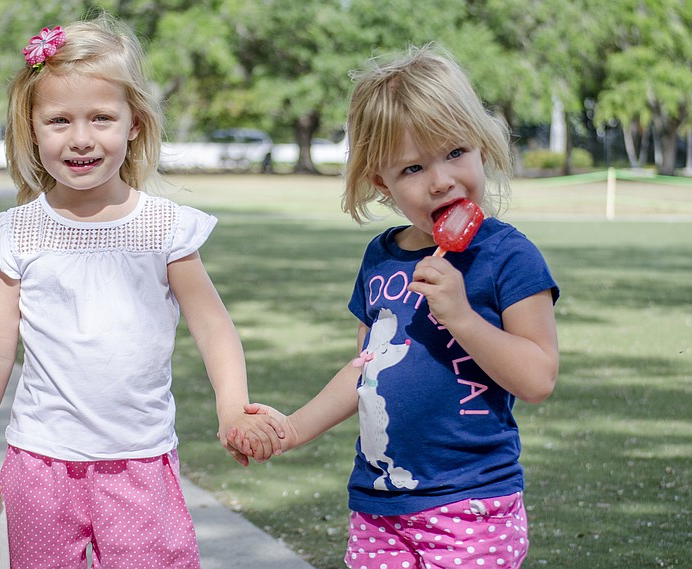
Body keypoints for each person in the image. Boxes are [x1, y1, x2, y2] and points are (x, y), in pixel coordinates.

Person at [0, 15, 280, 569]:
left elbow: (212, 326)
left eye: (101, 117)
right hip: (39, 462)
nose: (81, 138)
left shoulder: (164, 228)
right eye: (59, 120)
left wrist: (231, 407)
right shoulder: (15, 233)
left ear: (133, 123)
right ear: (31, 128)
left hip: (139, 462)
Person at [230, 44, 560, 569]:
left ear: (482, 146)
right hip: (379, 505)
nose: (441, 180)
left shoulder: (509, 257)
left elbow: (538, 377)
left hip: (472, 504)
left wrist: (461, 316)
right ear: (382, 181)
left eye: (456, 152)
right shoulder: (381, 258)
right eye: (413, 167)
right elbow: (367, 370)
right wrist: (294, 428)